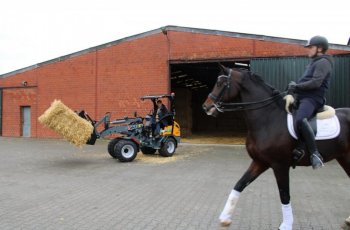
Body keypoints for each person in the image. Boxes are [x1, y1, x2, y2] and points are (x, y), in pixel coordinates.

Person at [287, 35, 334, 169]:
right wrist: (292, 88)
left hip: (313, 98)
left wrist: (296, 86)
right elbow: (305, 82)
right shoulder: (314, 62)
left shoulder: (323, 62)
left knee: (301, 119)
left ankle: (315, 154)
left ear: (319, 48)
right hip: (304, 97)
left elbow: (316, 83)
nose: (308, 50)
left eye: (310, 47)